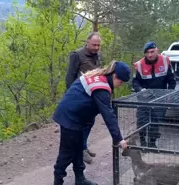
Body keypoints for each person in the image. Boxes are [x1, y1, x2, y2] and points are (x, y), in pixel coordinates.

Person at [52, 60, 130, 185]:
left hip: (77, 118)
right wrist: (119, 139)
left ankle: (80, 179)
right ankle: (58, 181)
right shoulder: (102, 87)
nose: (119, 85)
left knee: (78, 149)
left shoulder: (99, 77)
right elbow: (108, 115)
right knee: (67, 152)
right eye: (120, 82)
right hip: (70, 118)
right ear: (115, 76)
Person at [65, 32, 103, 164]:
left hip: (92, 96)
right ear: (87, 42)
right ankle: (81, 150)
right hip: (80, 96)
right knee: (82, 124)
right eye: (94, 45)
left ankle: (84, 146)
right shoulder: (77, 55)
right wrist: (70, 97)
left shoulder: (98, 56)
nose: (96, 47)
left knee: (90, 122)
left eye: (98, 45)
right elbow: (70, 76)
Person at [132, 41, 176, 148]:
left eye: (152, 52)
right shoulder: (139, 65)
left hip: (160, 97)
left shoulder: (165, 61)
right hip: (144, 98)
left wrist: (168, 94)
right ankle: (143, 143)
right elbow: (134, 82)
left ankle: (152, 143)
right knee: (142, 121)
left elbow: (172, 80)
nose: (150, 55)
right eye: (147, 52)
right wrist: (140, 90)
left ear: (157, 50)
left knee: (156, 121)